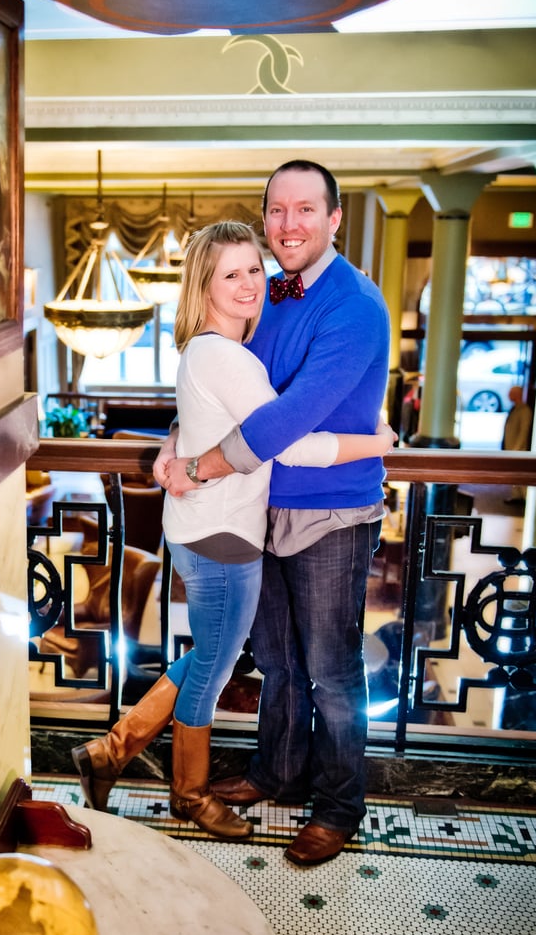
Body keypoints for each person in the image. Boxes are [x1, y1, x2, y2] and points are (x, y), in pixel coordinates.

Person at [72, 221, 395, 841]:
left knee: (209, 655)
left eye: (254, 269)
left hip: (206, 528)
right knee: (213, 670)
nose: (251, 284)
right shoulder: (224, 356)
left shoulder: (211, 349)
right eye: (232, 274)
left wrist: (173, 444)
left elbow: (200, 420)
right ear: (204, 286)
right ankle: (188, 795)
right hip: (222, 534)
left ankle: (112, 750)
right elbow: (290, 446)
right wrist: (375, 442)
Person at [156, 160, 391, 867]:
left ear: (334, 219)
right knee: (278, 663)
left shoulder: (355, 305)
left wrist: (199, 467)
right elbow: (217, 389)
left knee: (331, 672)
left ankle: (339, 806)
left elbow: (285, 421)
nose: (289, 225)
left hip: (330, 509)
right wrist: (174, 442)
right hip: (260, 508)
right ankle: (275, 773)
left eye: (305, 209)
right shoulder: (265, 294)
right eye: (277, 211)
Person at [502, 385, 533, 505]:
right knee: (513, 474)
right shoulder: (515, 409)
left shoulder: (524, 411)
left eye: (511, 393)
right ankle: (517, 496)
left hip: (518, 449)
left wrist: (517, 448)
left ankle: (526, 498)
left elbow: (524, 432)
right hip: (511, 447)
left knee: (521, 474)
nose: (508, 395)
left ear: (517, 395)